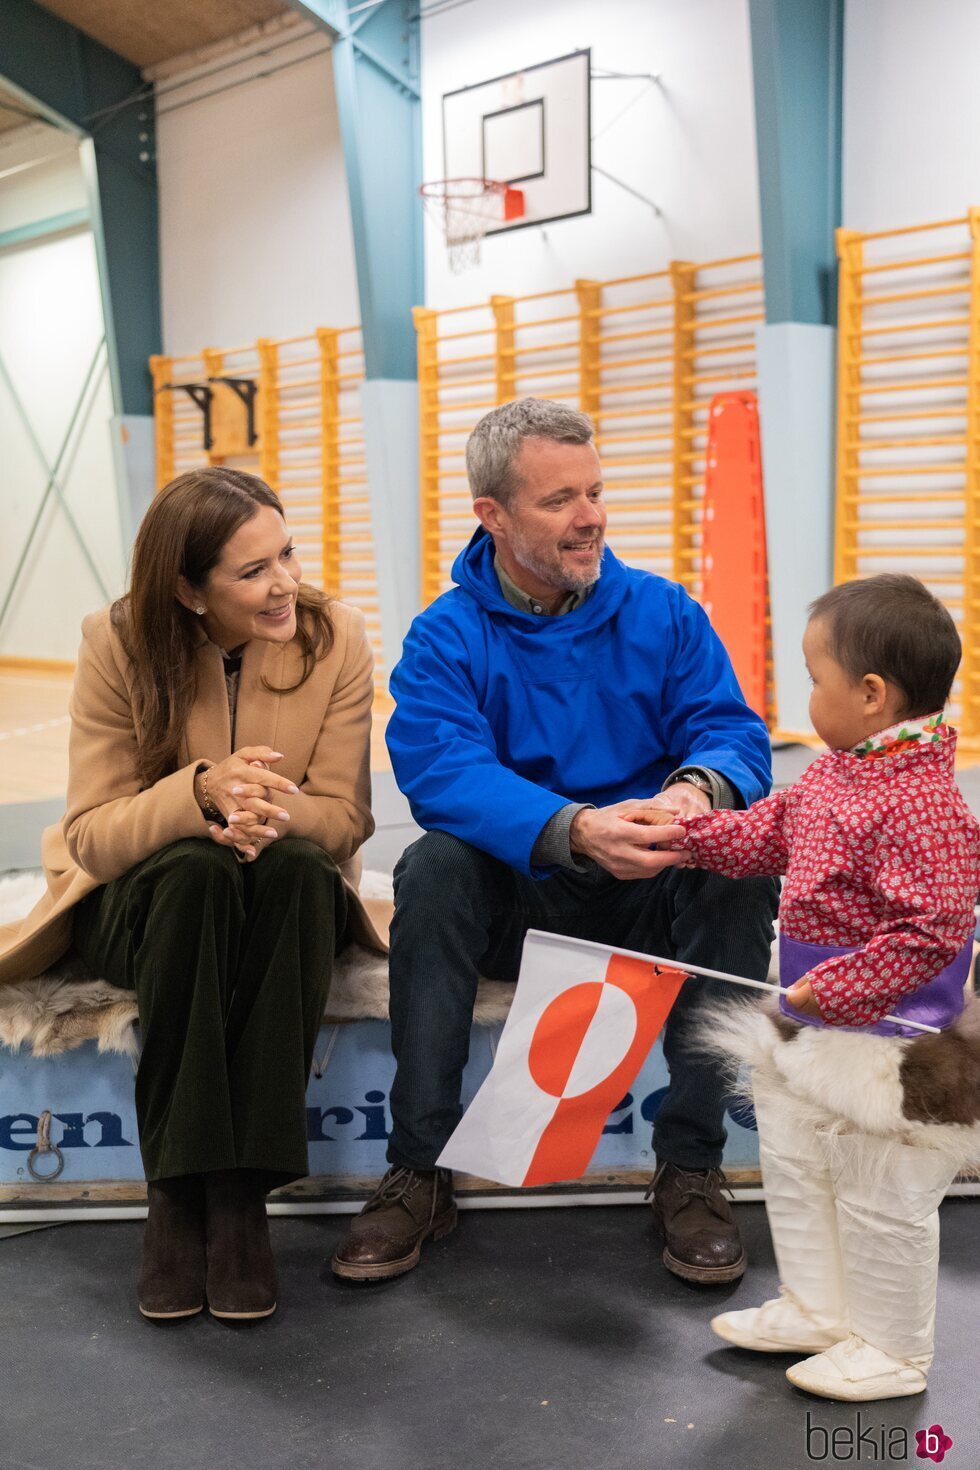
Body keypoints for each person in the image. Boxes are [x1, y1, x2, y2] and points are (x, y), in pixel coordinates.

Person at [331, 397, 778, 1285]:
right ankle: (420, 1169)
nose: (592, 518)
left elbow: (734, 733)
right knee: (433, 867)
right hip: (524, 900)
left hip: (651, 886)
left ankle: (689, 1165)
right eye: (560, 500)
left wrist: (697, 792)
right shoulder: (444, 638)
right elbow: (441, 771)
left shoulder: (665, 612)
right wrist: (572, 829)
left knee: (741, 866)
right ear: (491, 514)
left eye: (597, 491)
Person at [0, 468, 385, 1322]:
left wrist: (268, 816)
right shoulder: (115, 641)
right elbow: (93, 833)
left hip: (285, 880)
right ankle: (176, 1193)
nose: (284, 582)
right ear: (187, 590)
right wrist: (202, 794)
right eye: (252, 572)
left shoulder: (339, 636)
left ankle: (241, 1197)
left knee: (287, 873)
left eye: (286, 553)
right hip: (147, 899)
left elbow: (349, 816)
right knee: (195, 873)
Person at [630, 574, 980, 1400]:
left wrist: (840, 988)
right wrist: (682, 834)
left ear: (870, 694)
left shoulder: (928, 805)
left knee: (879, 1197)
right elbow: (767, 833)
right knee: (797, 1169)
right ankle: (818, 1308)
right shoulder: (834, 775)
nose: (804, 695)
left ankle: (892, 1349)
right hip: (807, 1027)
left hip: (890, 1050)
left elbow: (935, 931)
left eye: (814, 678)